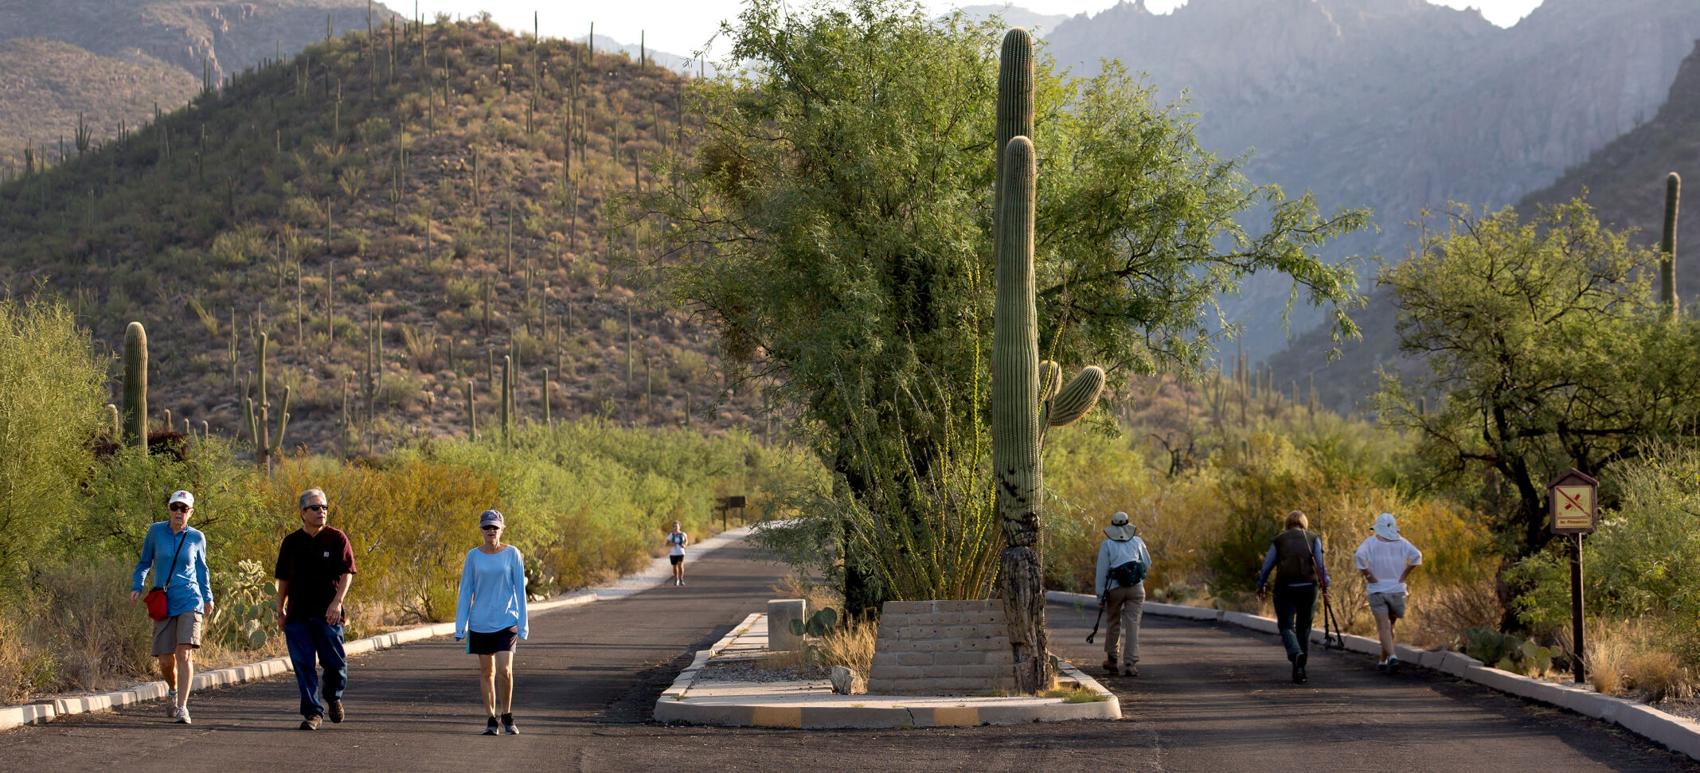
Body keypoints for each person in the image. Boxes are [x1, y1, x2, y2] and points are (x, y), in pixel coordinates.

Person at [275, 488, 357, 730]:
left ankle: (333, 697)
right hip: (298, 615)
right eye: (315, 507)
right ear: (302, 513)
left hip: (328, 615)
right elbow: (283, 580)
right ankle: (312, 712)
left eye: (324, 507)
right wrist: (280, 610)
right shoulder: (291, 542)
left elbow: (347, 573)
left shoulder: (337, 538)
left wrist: (337, 602)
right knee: (303, 665)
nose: (321, 511)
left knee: (335, 663)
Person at [130, 490, 213, 725]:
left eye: (184, 508)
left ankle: (182, 707)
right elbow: (145, 562)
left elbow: (202, 569)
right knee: (166, 660)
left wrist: (208, 597)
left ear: (191, 512)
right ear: (169, 509)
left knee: (184, 652)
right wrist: (138, 584)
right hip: (164, 601)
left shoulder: (197, 537)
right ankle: (173, 689)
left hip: (190, 599)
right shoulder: (156, 531)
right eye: (175, 507)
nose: (179, 512)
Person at [454, 509, 529, 736]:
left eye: (495, 527)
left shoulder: (512, 554)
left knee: (505, 671)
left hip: (506, 621)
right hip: (480, 623)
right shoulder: (473, 556)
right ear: (481, 530)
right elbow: (466, 590)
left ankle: (507, 715)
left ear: (502, 529)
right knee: (487, 672)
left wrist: (523, 623)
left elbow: (520, 590)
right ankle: (490, 719)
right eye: (487, 527)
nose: (491, 531)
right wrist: (460, 625)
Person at [1256, 510, 1331, 684]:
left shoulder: (1279, 540)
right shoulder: (1313, 538)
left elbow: (1267, 566)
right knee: (1304, 628)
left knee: (1286, 625)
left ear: (1287, 523)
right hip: (1308, 588)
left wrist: (1260, 585)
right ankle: (1300, 669)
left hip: (1285, 588)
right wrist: (1325, 583)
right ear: (1304, 523)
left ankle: (1295, 653)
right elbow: (1320, 565)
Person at [1354, 512, 1423, 673]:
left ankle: (1388, 658)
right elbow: (1417, 556)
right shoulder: (1403, 543)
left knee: (1384, 626)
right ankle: (1387, 659)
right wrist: (1404, 575)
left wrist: (1368, 575)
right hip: (1397, 590)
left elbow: (1359, 556)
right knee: (1389, 625)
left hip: (1377, 590)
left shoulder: (1370, 543)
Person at [1094, 511, 1151, 677]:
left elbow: (1102, 571)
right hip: (1136, 588)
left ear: (1112, 525)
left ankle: (1112, 660)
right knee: (1133, 624)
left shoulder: (1107, 545)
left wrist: (1100, 596)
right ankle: (1130, 664)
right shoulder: (1138, 541)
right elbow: (1147, 563)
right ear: (1128, 524)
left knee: (1113, 622)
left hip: (1114, 589)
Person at [665, 521, 689, 587]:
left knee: (680, 565)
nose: (676, 527)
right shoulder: (671, 535)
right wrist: (671, 544)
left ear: (679, 526)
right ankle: (676, 579)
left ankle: (681, 578)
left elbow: (686, 541)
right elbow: (666, 543)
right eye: (674, 526)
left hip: (681, 552)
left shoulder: (683, 534)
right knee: (674, 566)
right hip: (673, 553)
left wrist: (685, 545)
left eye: (677, 526)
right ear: (673, 527)